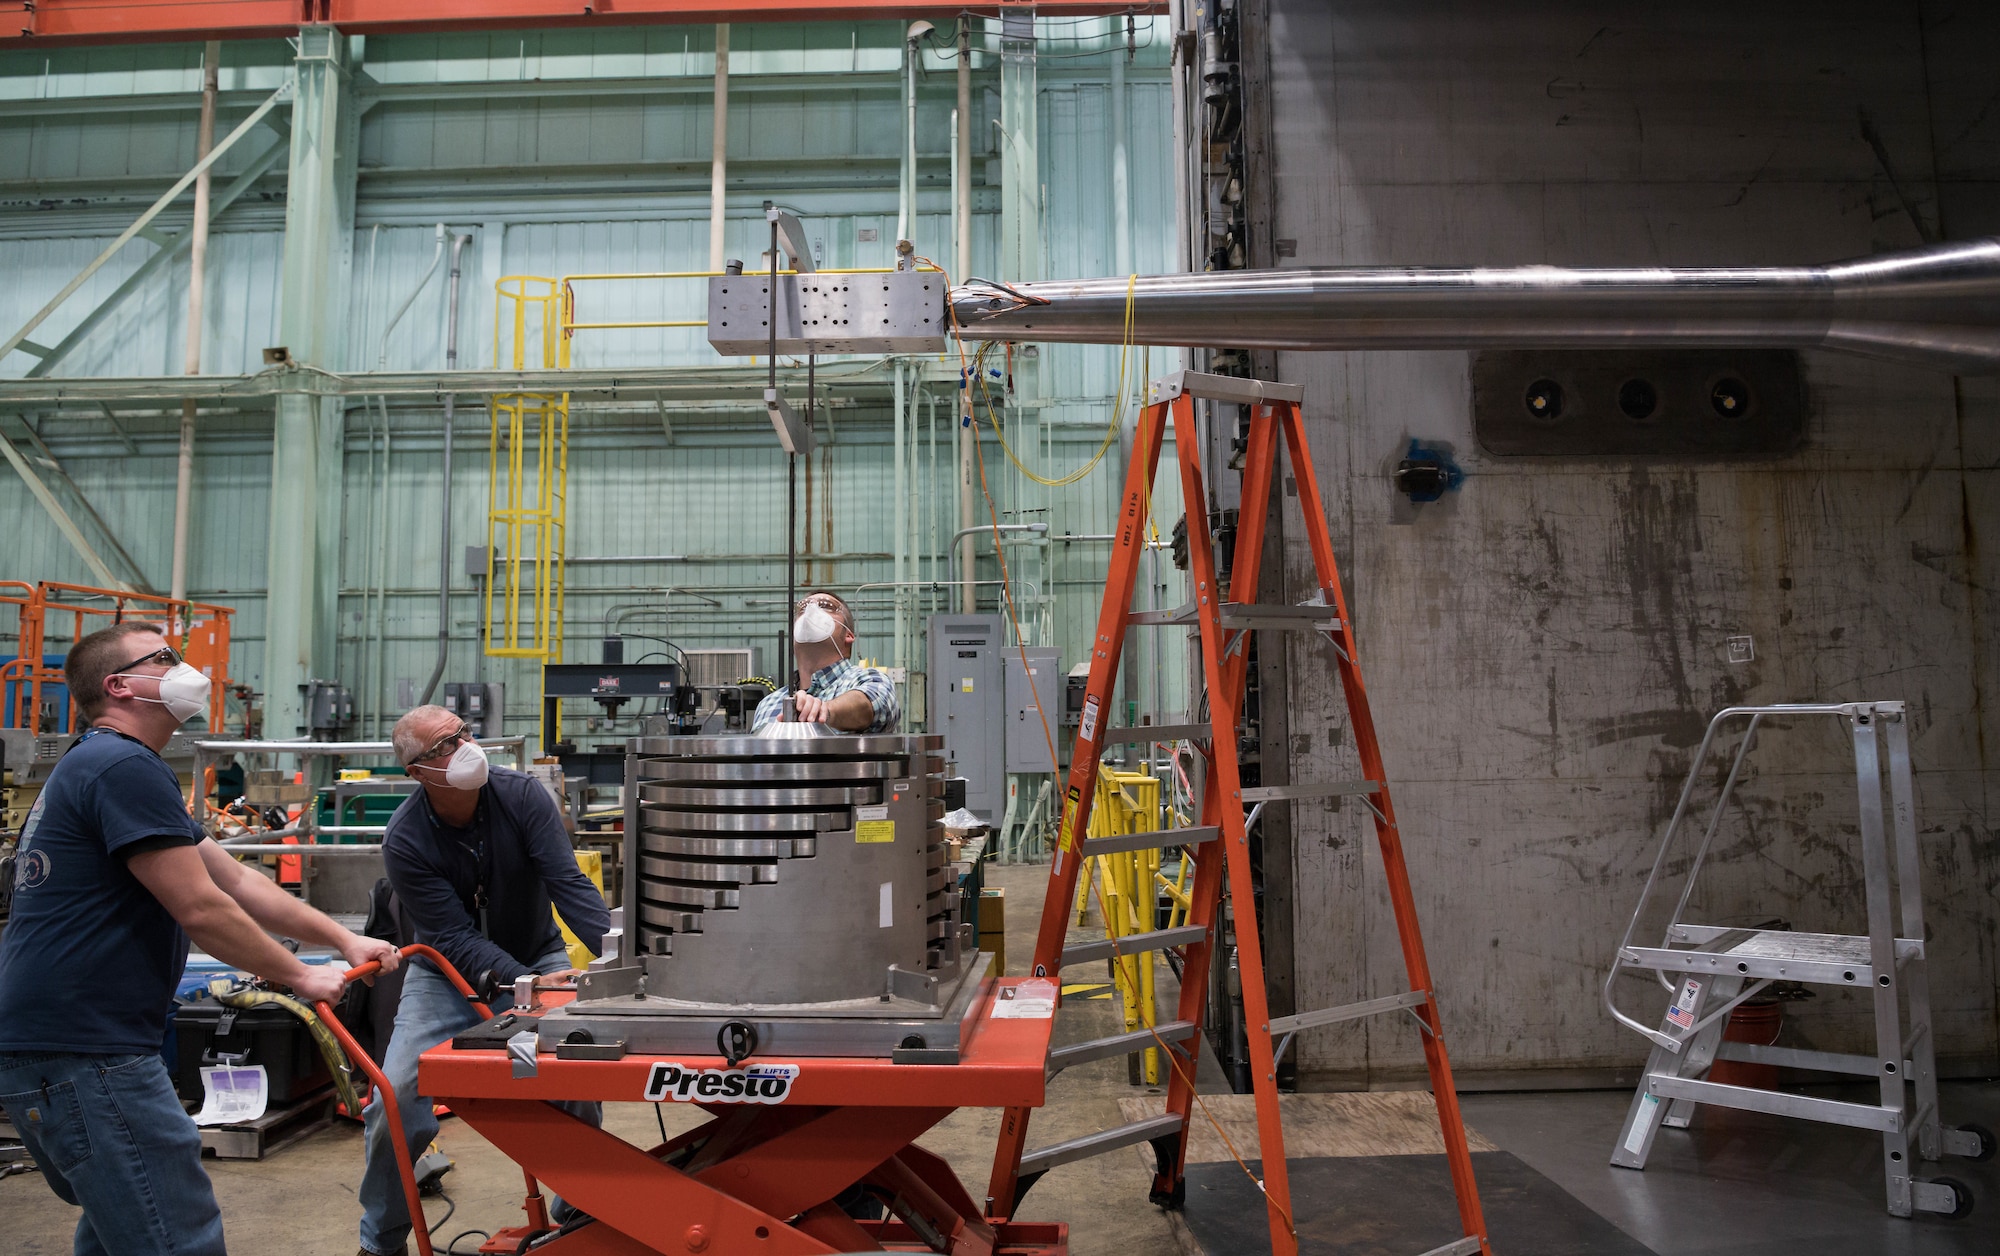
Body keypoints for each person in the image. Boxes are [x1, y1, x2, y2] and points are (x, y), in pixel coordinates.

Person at [0, 622, 400, 1256]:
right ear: (120, 685)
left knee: (118, 1236)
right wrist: (299, 976)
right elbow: (201, 907)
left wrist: (342, 942)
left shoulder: (109, 763)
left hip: (65, 1043)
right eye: (166, 658)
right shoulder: (120, 765)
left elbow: (236, 880)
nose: (188, 668)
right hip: (89, 1048)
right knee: (175, 1238)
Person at [358, 704, 610, 1256]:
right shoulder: (405, 839)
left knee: (575, 1076)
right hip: (443, 977)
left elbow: (568, 884)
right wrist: (526, 986)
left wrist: (624, 961)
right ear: (416, 772)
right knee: (396, 1098)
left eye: (464, 734)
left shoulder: (521, 797)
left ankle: (582, 1213)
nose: (465, 749)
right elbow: (451, 939)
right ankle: (380, 1242)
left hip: (535, 956)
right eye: (442, 747)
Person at [751, 591, 901, 733]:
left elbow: (874, 705)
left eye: (826, 606)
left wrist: (825, 711)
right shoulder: (768, 704)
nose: (810, 609)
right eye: (802, 608)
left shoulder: (870, 680)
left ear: (848, 635)